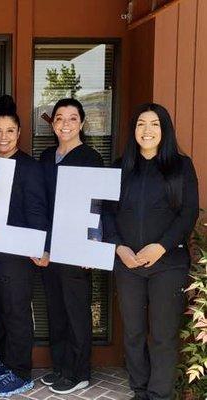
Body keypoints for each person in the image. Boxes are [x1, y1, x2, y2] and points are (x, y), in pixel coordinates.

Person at [104, 103, 199, 400]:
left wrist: (160, 247)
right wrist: (119, 247)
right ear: (133, 131)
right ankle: (140, 390)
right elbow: (106, 213)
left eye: (154, 124)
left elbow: (188, 214)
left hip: (167, 264)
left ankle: (159, 395)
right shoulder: (121, 167)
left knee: (162, 335)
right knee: (132, 333)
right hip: (127, 263)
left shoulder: (181, 166)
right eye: (141, 124)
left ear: (164, 130)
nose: (147, 130)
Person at [0, 95, 49, 396]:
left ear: (18, 134)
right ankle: (5, 361)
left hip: (19, 253)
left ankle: (21, 371)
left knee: (17, 309)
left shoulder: (30, 167)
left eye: (9, 131)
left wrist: (38, 246)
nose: (3, 137)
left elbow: (37, 210)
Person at [38, 98, 104, 395]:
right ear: (52, 123)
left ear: (82, 123)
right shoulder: (46, 157)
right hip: (51, 245)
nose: (65, 124)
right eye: (60, 118)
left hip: (77, 245)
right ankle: (62, 367)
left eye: (72, 118)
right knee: (56, 308)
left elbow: (98, 205)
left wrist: (92, 245)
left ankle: (80, 372)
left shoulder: (90, 157)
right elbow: (40, 203)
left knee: (76, 309)